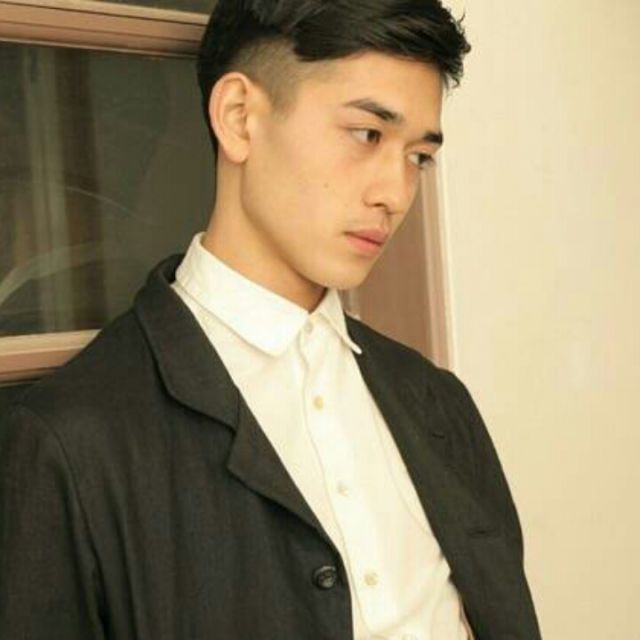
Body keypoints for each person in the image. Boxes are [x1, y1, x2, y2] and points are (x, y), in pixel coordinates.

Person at [0, 1, 542, 638]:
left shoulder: (439, 404)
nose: (395, 194)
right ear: (239, 117)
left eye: (418, 156)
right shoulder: (72, 441)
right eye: (367, 135)